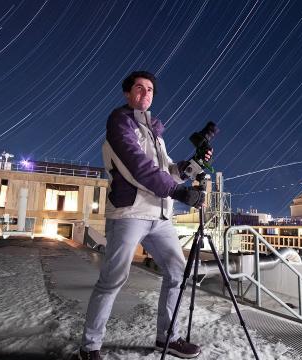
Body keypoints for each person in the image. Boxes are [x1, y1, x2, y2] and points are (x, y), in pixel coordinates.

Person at [78, 71, 210, 360]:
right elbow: (138, 168)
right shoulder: (119, 123)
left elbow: (166, 170)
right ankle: (89, 347)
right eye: (139, 88)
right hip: (129, 214)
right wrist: (177, 192)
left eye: (150, 89)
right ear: (128, 93)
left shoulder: (155, 134)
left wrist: (190, 165)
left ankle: (167, 338)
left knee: (177, 272)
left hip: (160, 217)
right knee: (113, 279)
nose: (146, 93)